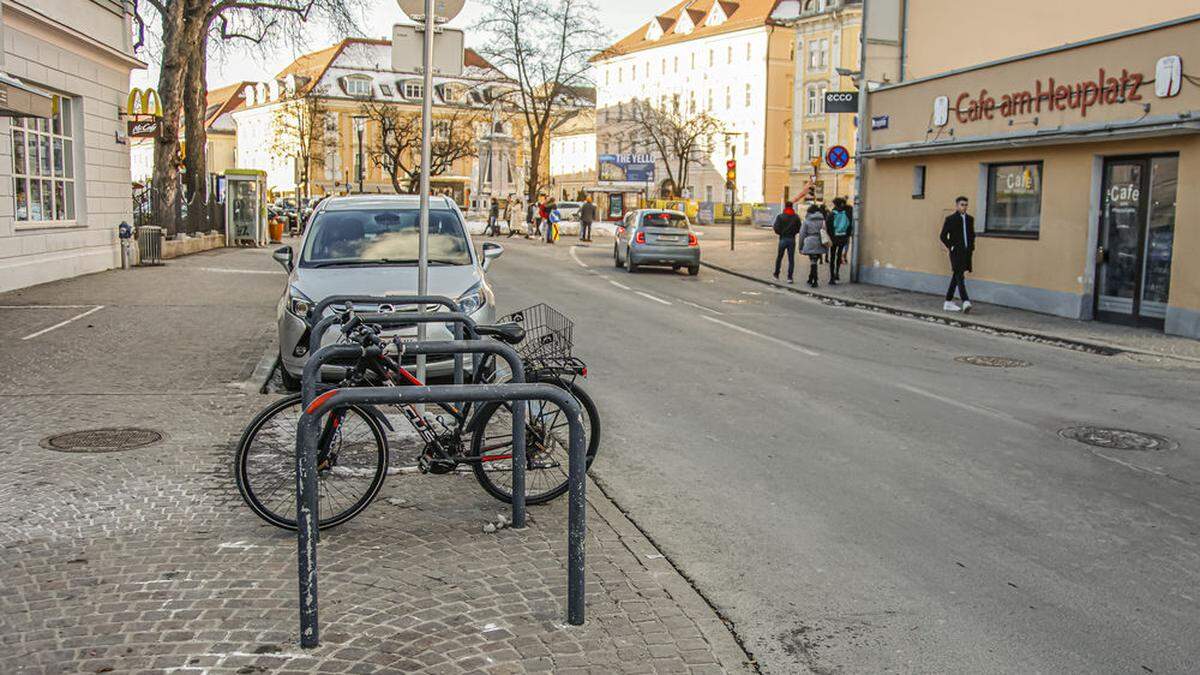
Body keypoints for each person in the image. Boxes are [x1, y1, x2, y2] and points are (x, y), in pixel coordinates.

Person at [940, 195, 976, 312]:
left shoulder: (970, 219)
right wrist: (951, 246)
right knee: (959, 275)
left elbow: (971, 235)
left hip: (966, 252)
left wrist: (971, 247)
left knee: (956, 276)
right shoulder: (951, 219)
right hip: (956, 252)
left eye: (966, 205)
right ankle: (965, 301)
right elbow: (942, 235)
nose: (964, 207)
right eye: (962, 205)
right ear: (956, 206)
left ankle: (948, 301)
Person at [771, 201, 802, 283]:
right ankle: (790, 277)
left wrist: (781, 233)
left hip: (783, 239)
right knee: (791, 259)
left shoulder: (780, 216)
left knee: (779, 258)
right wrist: (794, 232)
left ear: (785, 206)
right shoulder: (796, 217)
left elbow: (776, 228)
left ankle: (776, 274)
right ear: (792, 207)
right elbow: (799, 228)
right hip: (792, 239)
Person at [799, 204, 827, 288]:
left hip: (810, 242)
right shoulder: (823, 221)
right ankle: (811, 278)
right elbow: (825, 232)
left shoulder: (807, 221)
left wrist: (800, 247)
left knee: (813, 261)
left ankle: (815, 280)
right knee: (814, 261)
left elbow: (802, 235)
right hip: (820, 241)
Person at [828, 197, 853, 284]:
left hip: (833, 238)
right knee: (839, 256)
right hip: (842, 237)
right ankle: (837, 273)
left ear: (835, 204)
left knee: (832, 256)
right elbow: (849, 226)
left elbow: (828, 227)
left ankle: (832, 277)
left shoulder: (831, 214)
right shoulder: (845, 213)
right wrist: (847, 235)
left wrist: (830, 237)